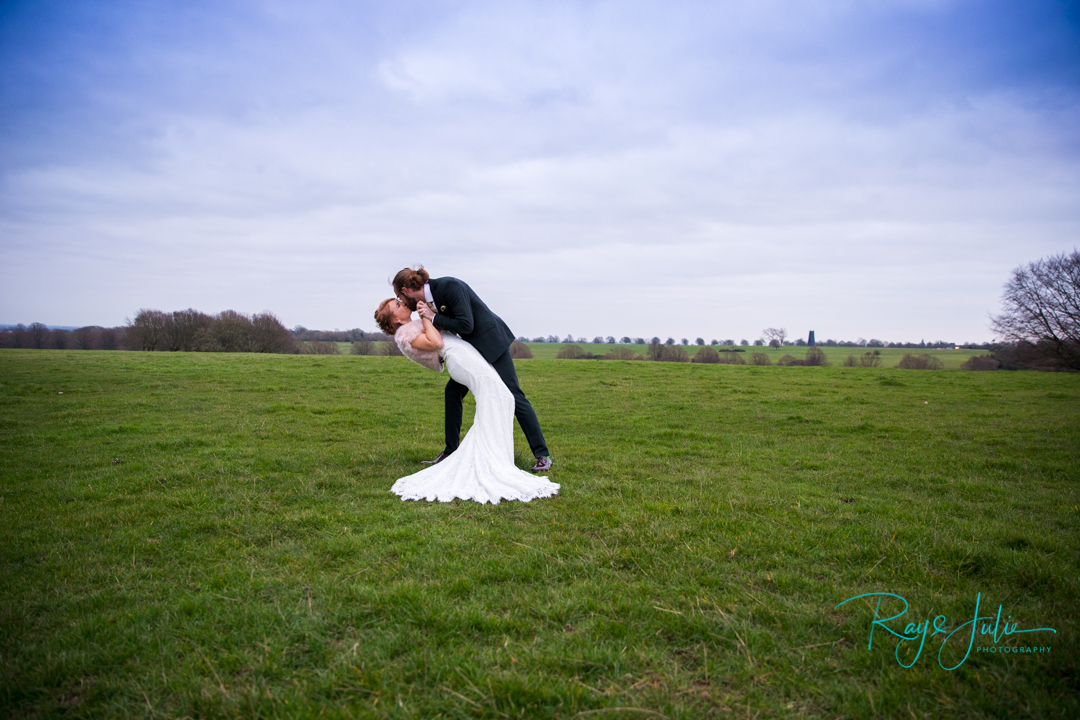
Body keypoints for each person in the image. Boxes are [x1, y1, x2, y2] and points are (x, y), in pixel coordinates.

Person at [374, 297, 559, 504]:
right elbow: (436, 342)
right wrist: (427, 316)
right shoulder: (405, 335)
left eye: (399, 300)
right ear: (395, 321)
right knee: (497, 395)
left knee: (506, 395)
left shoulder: (415, 323)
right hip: (458, 357)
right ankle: (483, 456)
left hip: (471, 350)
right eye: (397, 306)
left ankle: (522, 454)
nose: (402, 303)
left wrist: (428, 313)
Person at [391, 267, 553, 473]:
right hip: (471, 354)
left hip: (491, 343)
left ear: (406, 290)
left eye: (400, 297)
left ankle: (542, 455)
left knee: (514, 394)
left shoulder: (450, 286)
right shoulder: (427, 301)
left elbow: (466, 325)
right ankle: (450, 452)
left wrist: (433, 317)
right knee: (452, 393)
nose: (403, 303)